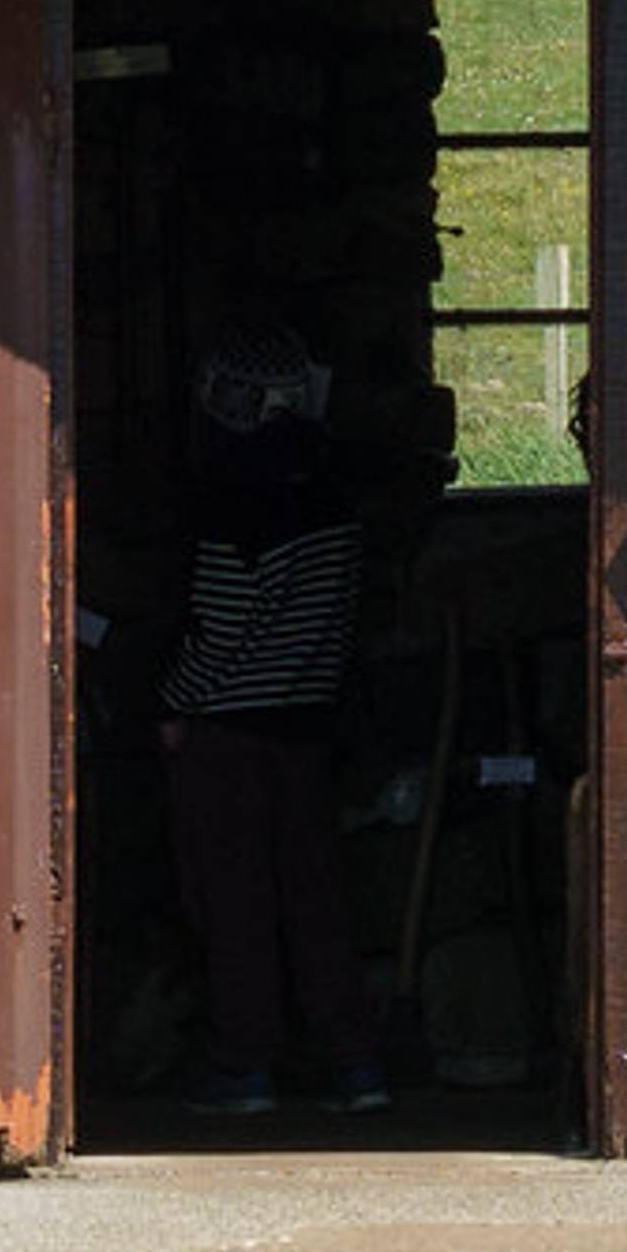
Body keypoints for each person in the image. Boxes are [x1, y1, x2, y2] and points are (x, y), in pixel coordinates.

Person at [158, 342, 386, 1115]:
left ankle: (244, 1066)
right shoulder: (336, 509)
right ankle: (354, 1065)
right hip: (308, 729)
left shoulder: (238, 513)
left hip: (226, 739)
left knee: (236, 907)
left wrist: (174, 707)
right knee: (317, 900)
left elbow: (218, 635)